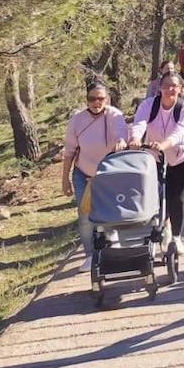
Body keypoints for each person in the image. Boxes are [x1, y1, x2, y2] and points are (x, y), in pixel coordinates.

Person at [61, 79, 129, 270]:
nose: (96, 103)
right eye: (92, 99)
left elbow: (122, 134)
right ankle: (90, 255)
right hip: (83, 172)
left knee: (109, 210)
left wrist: (122, 142)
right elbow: (69, 152)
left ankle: (112, 242)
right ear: (87, 100)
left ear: (107, 99)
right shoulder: (77, 120)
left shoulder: (115, 115)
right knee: (85, 215)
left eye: (101, 99)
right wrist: (65, 180)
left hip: (107, 173)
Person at [130, 70, 184, 254]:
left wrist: (164, 144)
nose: (170, 89)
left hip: (180, 155)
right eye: (166, 85)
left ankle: (177, 236)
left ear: (181, 89)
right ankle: (161, 227)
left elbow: (181, 131)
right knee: (157, 195)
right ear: (160, 88)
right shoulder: (149, 105)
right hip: (154, 155)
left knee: (178, 196)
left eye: (174, 86)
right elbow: (140, 123)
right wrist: (135, 138)